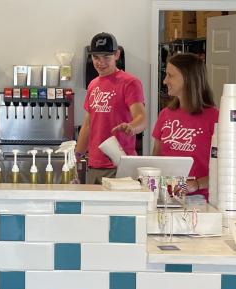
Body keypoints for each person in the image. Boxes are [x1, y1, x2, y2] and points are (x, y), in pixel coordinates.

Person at [75, 32, 147, 184]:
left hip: (119, 165)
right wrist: (77, 156)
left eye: (106, 57)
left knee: (117, 209)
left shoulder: (130, 83)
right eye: (96, 57)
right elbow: (88, 125)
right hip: (94, 165)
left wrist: (131, 127)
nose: (100, 63)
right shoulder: (93, 84)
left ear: (117, 54)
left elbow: (141, 118)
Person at [152, 53, 219, 199]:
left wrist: (196, 184)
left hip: (200, 202)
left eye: (170, 75)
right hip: (165, 199)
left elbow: (225, 168)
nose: (165, 81)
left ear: (188, 78)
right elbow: (156, 160)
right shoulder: (165, 114)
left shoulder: (214, 118)